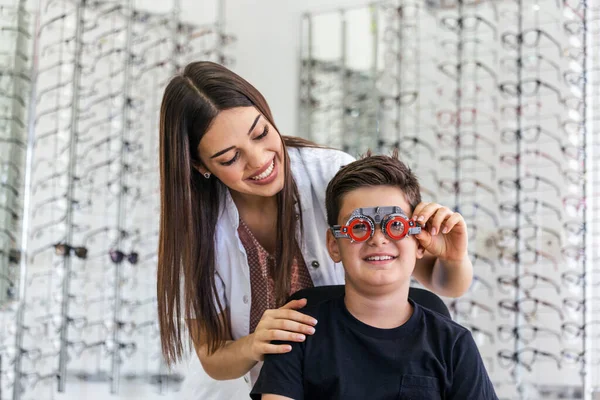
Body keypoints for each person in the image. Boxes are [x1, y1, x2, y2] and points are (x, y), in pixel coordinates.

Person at [157, 61, 474, 399]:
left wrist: (453, 256)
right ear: (199, 165)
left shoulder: (332, 175)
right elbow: (212, 356)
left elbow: (443, 283)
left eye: (261, 133)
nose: (260, 160)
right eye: (230, 157)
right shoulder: (195, 231)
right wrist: (254, 344)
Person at [250, 153, 497, 400]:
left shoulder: (453, 344)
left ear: (420, 242)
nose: (378, 238)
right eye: (359, 226)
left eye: (395, 225)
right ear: (334, 245)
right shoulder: (297, 332)